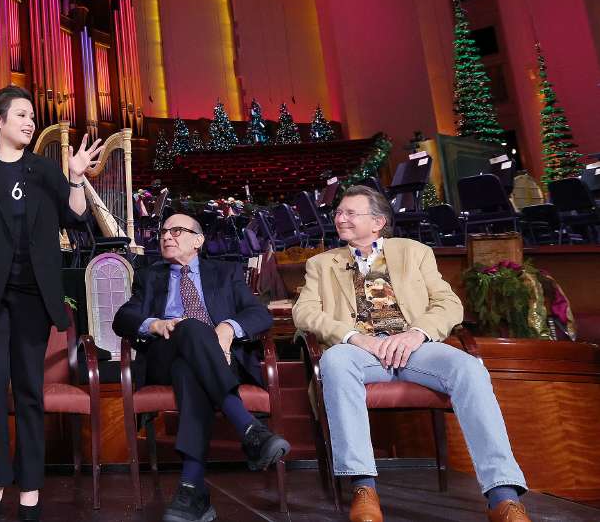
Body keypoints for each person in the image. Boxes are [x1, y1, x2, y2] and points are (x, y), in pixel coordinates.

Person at [292, 185, 531, 522]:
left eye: (349, 212)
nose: (339, 217)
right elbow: (304, 314)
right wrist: (352, 337)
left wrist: (415, 333)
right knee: (334, 360)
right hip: (362, 353)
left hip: (416, 348)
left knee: (469, 369)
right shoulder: (321, 264)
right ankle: (364, 487)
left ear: (377, 222)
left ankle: (503, 496)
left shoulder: (414, 252)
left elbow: (448, 304)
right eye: (339, 211)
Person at [0, 85, 103, 522]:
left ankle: (30, 490)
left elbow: (75, 215)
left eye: (32, 116)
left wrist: (75, 177)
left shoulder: (43, 170)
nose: (30, 122)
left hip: (33, 296)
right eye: (20, 115)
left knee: (30, 390)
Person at [113, 213, 290, 522]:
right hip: (163, 356)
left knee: (189, 370)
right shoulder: (149, 275)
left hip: (220, 359)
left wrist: (228, 328)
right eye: (164, 231)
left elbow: (259, 314)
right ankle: (248, 427)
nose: (166, 236)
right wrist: (154, 323)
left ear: (198, 240)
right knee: (191, 329)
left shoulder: (225, 272)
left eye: (176, 231)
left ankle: (192, 489)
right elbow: (123, 318)